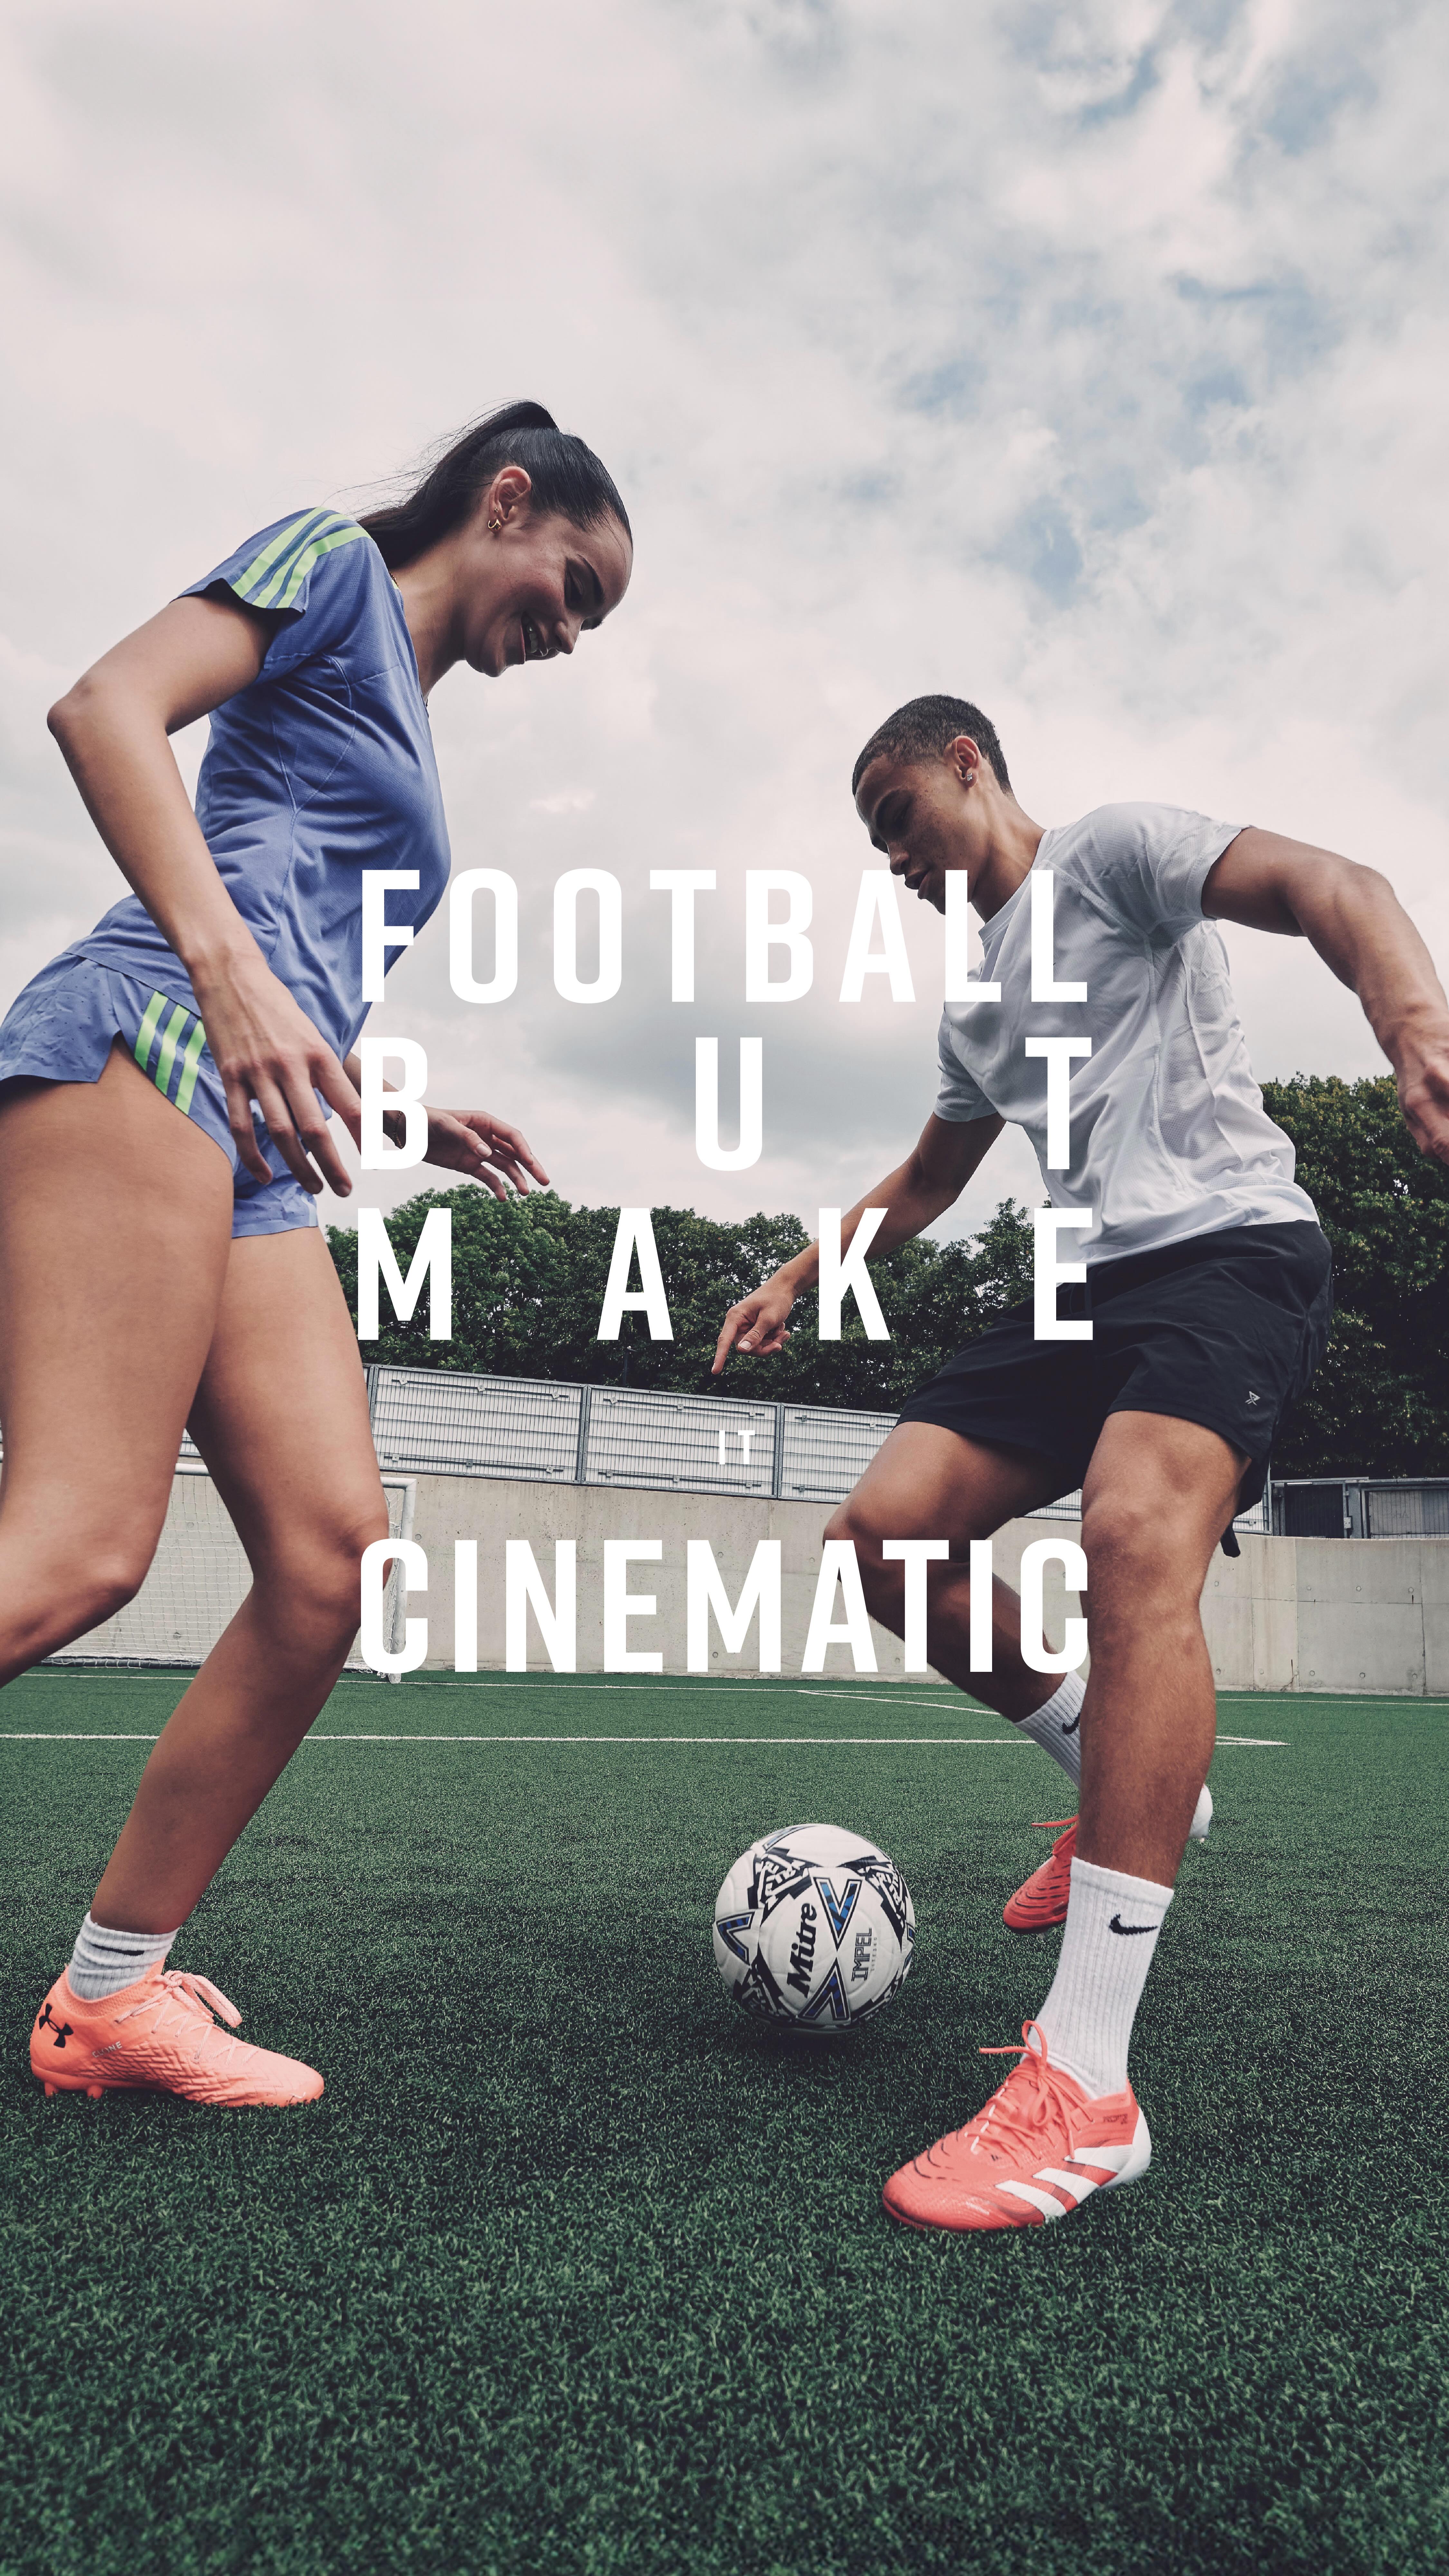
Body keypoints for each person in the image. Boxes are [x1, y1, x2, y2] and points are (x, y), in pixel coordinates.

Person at [713, 693, 1449, 2234]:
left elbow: (1339, 889)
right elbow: (929, 1176)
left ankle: (1087, 2078)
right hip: (1085, 1287)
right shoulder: (974, 1007)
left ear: (968, 764)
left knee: (1131, 1528)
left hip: (1232, 1252)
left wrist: (1411, 1019)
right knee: (885, 1536)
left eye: (895, 813)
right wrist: (797, 1274)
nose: (891, 854)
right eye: (873, 840)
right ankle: (1112, 1776)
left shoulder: (1114, 855)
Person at [4, 401, 632, 2107]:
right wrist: (223, 978)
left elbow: (300, 957)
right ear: (508, 499)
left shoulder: (408, 722)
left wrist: (403, 1113)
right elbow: (102, 708)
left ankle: (110, 1996)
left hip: (256, 1141)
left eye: (591, 621)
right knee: (74, 1554)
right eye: (575, 585)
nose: (567, 633)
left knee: (325, 1562)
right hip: (143, 1036)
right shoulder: (331, 563)